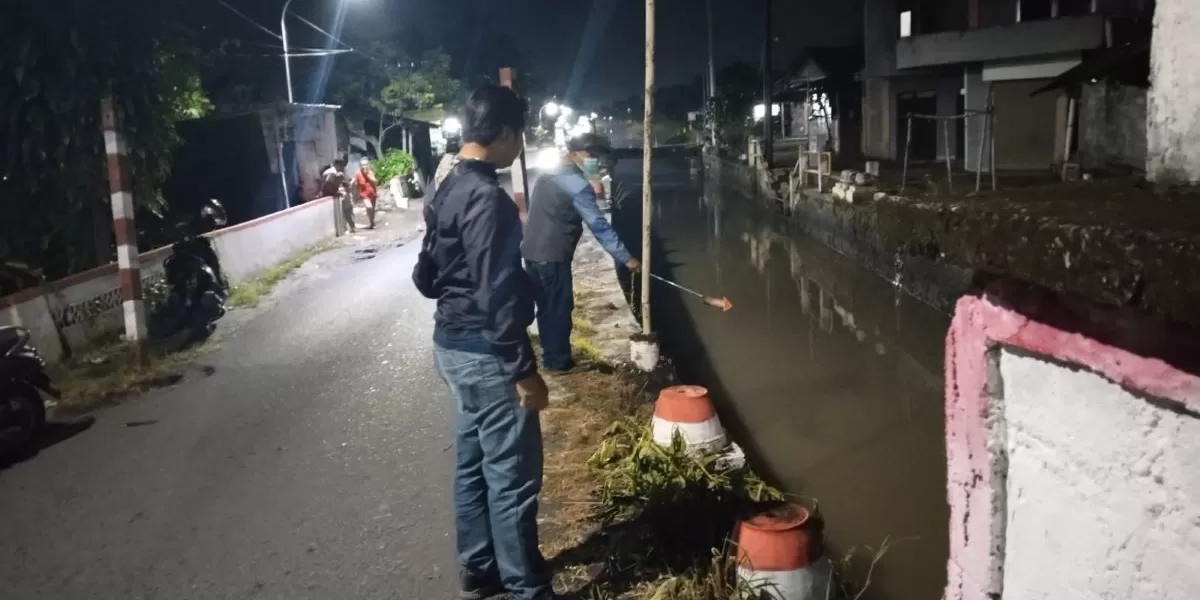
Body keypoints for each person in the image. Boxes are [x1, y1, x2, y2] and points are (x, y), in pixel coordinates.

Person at [422, 84, 554, 600]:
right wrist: (524, 370)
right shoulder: (488, 199)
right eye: (519, 135)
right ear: (502, 133)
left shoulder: (446, 185)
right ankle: (526, 588)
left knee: (473, 463)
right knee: (513, 477)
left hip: (451, 344)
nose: (520, 145)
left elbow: (427, 276)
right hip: (487, 352)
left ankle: (479, 568)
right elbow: (497, 296)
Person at [523, 133, 640, 372]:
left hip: (532, 252)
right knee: (559, 308)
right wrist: (626, 258)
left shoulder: (548, 174)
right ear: (578, 153)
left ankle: (551, 355)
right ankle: (559, 363)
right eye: (593, 157)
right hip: (552, 254)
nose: (595, 163)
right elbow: (599, 225)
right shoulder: (576, 186)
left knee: (546, 306)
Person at [322, 158, 353, 234]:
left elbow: (339, 181)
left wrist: (345, 184)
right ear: (337, 165)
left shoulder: (335, 172)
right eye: (342, 166)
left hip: (330, 196)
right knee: (339, 214)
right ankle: (343, 230)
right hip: (328, 196)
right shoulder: (332, 172)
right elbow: (328, 182)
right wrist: (335, 192)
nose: (343, 168)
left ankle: (346, 228)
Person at [353, 157, 379, 229]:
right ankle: (371, 221)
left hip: (373, 193)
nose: (364, 166)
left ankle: (371, 222)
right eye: (362, 165)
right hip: (364, 194)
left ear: (368, 165)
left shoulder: (370, 172)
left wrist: (367, 175)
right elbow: (354, 180)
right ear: (360, 166)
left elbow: (375, 182)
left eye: (366, 164)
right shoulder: (358, 173)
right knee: (369, 207)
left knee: (372, 209)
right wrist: (351, 183)